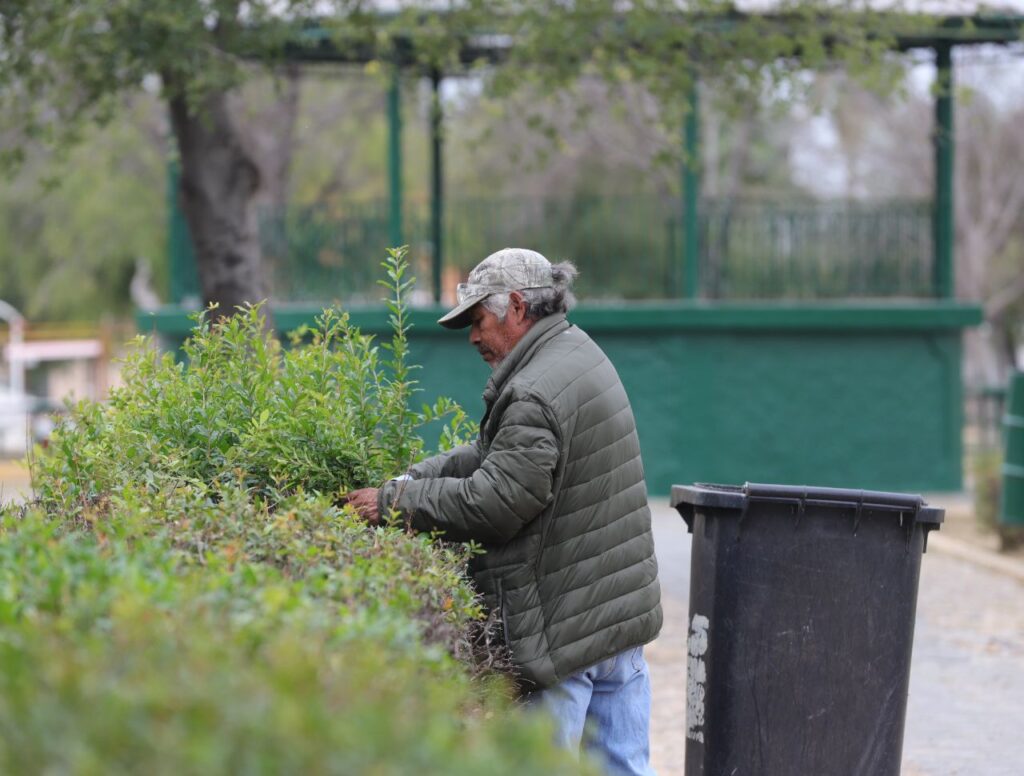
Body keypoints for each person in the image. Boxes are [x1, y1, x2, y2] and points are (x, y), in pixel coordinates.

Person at [347, 247, 662, 775]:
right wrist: (416, 478)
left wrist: (392, 504)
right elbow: (499, 455)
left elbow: (496, 500)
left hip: (563, 634)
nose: (473, 336)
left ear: (516, 306)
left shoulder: (534, 390)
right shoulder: (574, 353)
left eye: (478, 320)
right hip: (614, 624)